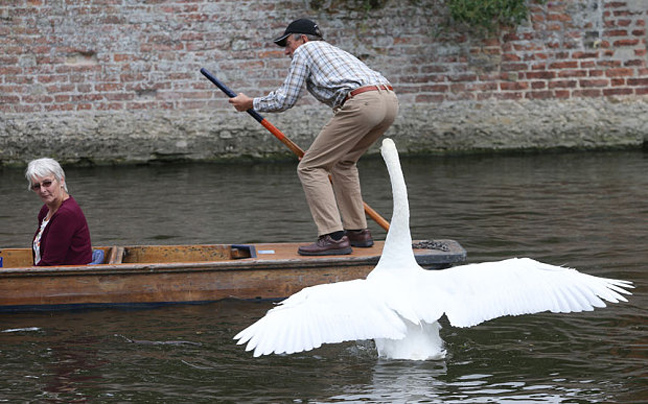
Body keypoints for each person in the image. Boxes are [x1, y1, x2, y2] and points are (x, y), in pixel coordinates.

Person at [229, 18, 399, 256]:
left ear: (303, 39)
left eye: (288, 44)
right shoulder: (335, 51)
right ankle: (358, 232)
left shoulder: (305, 51)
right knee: (343, 163)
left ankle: (333, 237)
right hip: (389, 101)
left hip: (363, 103)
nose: (286, 51)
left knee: (310, 168)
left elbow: (286, 99)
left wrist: (250, 103)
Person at [26, 157, 93, 266]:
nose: (42, 190)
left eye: (47, 183)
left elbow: (51, 263)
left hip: (70, 278)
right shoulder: (46, 210)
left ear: (61, 180)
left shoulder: (66, 214)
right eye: (37, 186)